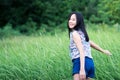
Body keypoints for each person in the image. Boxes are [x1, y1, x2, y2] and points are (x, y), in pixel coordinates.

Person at [67, 12, 111, 80]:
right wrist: (103, 51)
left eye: (73, 20)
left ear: (78, 21)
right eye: (70, 19)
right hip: (89, 62)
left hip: (80, 62)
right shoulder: (82, 33)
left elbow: (81, 51)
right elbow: (90, 43)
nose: (70, 21)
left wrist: (82, 69)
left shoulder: (75, 34)